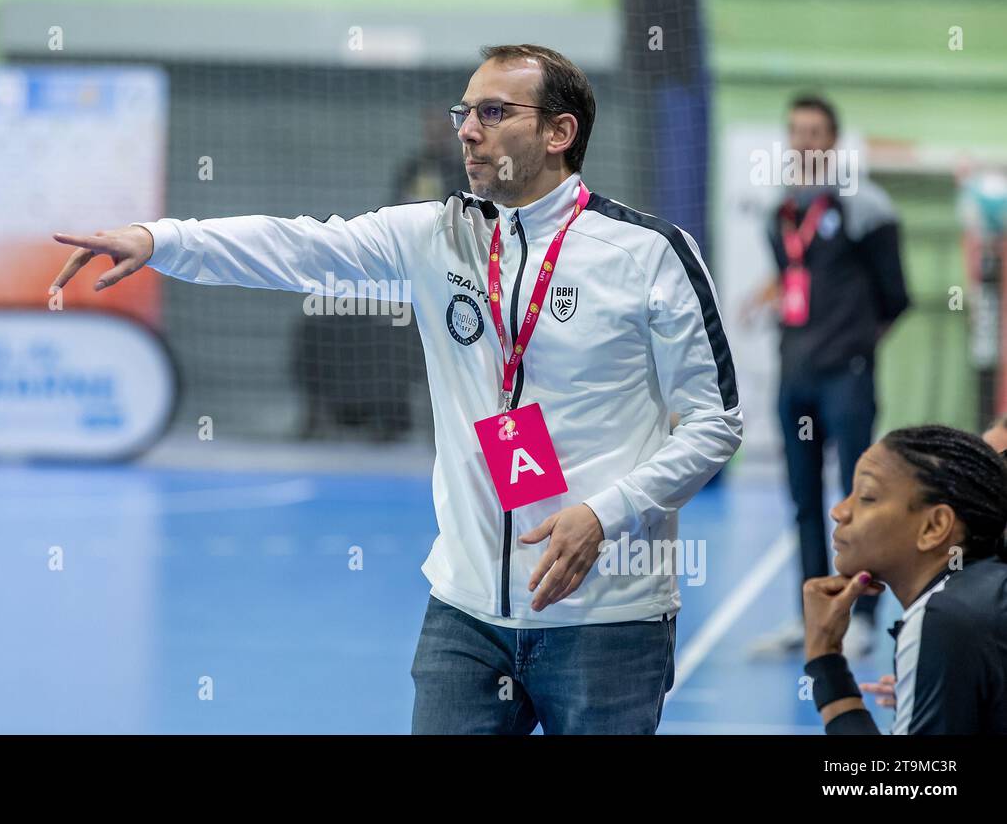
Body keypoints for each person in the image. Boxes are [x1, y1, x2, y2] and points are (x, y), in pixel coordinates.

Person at [50, 43, 743, 734]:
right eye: (465, 111)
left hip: (607, 620)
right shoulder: (435, 235)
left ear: (559, 133)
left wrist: (605, 514)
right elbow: (296, 248)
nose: (467, 129)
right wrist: (160, 239)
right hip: (465, 615)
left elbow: (715, 423)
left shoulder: (650, 253)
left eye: (494, 112)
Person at [747, 95, 910, 660]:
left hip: (848, 376)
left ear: (834, 140)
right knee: (801, 500)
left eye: (815, 131)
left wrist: (854, 348)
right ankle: (814, 618)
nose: (804, 140)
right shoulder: (781, 212)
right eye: (796, 130)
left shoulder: (867, 209)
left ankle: (862, 615)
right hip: (796, 378)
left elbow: (897, 296)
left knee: (858, 498)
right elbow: (795, 282)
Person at [802, 424, 1007, 734]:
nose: (839, 511)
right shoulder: (983, 593)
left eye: (867, 497)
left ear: (934, 527)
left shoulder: (944, 617)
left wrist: (824, 655)